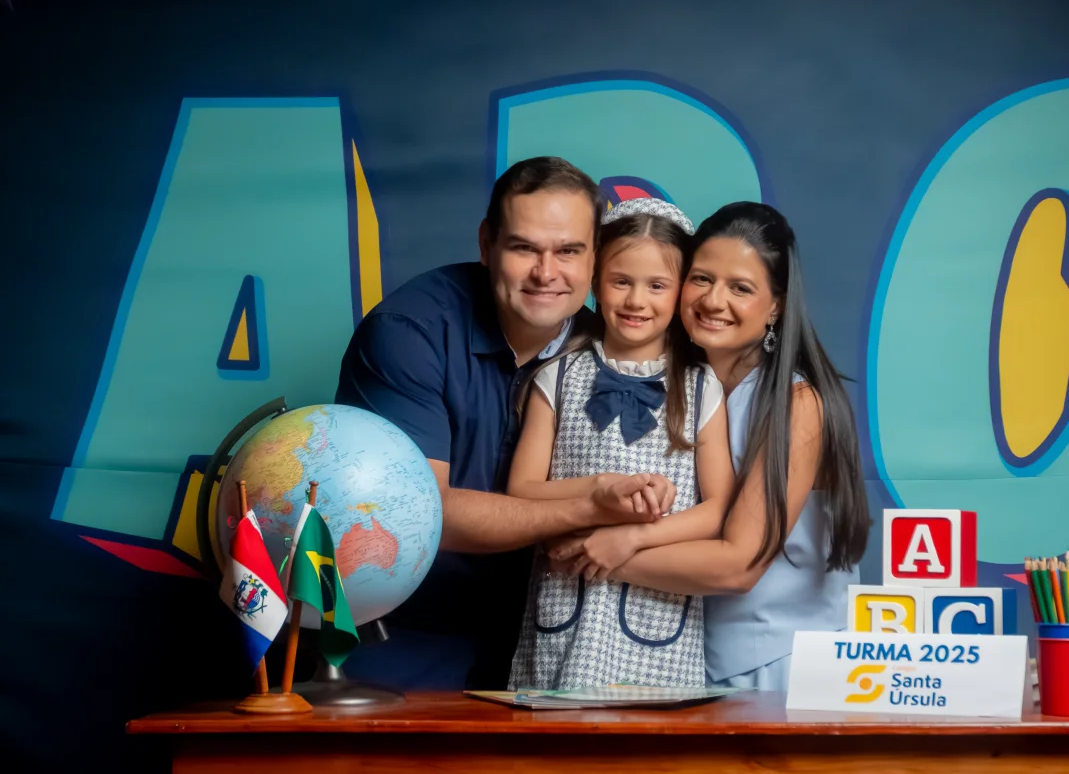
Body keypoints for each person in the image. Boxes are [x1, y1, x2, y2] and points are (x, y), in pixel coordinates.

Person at [333, 156, 678, 690]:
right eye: (524, 248)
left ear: (595, 257)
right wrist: (589, 506)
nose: (546, 272)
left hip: (548, 635)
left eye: (568, 251)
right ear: (486, 244)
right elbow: (419, 514)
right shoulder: (409, 333)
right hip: (400, 629)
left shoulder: (613, 353)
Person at [548, 200, 872, 691]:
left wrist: (597, 551)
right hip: (681, 657)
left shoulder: (795, 403)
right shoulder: (670, 385)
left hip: (778, 665)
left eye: (741, 288)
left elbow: (739, 566)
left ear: (777, 305)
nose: (714, 301)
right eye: (701, 279)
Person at [504, 198, 735, 690]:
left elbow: (718, 510)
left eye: (657, 285)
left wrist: (635, 537)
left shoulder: (701, 388)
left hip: (657, 617)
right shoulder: (556, 378)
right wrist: (602, 490)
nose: (636, 301)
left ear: (680, 292)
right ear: (595, 282)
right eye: (621, 281)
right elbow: (521, 492)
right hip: (564, 606)